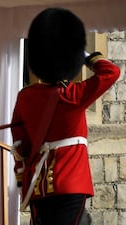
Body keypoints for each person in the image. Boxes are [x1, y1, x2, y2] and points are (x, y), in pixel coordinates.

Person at [10, 8, 120, 225]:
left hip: (38, 185)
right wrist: (85, 56)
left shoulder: (26, 96)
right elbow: (111, 72)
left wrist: (23, 179)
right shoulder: (73, 95)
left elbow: (19, 145)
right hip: (70, 183)